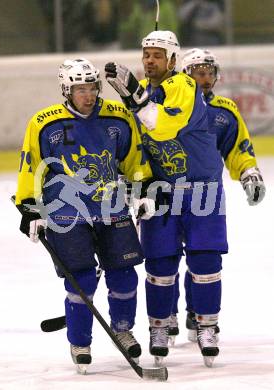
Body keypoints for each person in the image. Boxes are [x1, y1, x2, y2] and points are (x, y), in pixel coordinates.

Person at [15, 58, 152, 373]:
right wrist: (29, 208)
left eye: (92, 87)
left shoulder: (117, 117)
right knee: (82, 281)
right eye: (80, 89)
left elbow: (134, 158)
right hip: (66, 210)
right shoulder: (44, 123)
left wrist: (143, 188)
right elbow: (30, 166)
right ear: (67, 89)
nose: (88, 95)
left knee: (124, 274)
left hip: (110, 205)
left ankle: (122, 327)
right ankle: (80, 342)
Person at [105, 30, 231, 367]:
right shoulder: (144, 94)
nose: (149, 60)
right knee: (159, 265)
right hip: (160, 192)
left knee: (205, 262)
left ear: (173, 60)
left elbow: (161, 126)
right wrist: (134, 185)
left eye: (157, 55)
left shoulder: (184, 87)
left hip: (202, 189)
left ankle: (207, 325)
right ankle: (159, 326)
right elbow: (133, 146)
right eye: (146, 54)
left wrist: (134, 96)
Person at [169, 47, 266, 343]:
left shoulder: (224, 110)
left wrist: (248, 171)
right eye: (199, 72)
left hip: (206, 195)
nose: (206, 78)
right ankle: (166, 315)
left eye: (209, 72)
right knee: (165, 259)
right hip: (165, 194)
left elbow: (238, 147)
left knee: (202, 255)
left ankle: (197, 313)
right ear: (185, 76)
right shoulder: (167, 105)